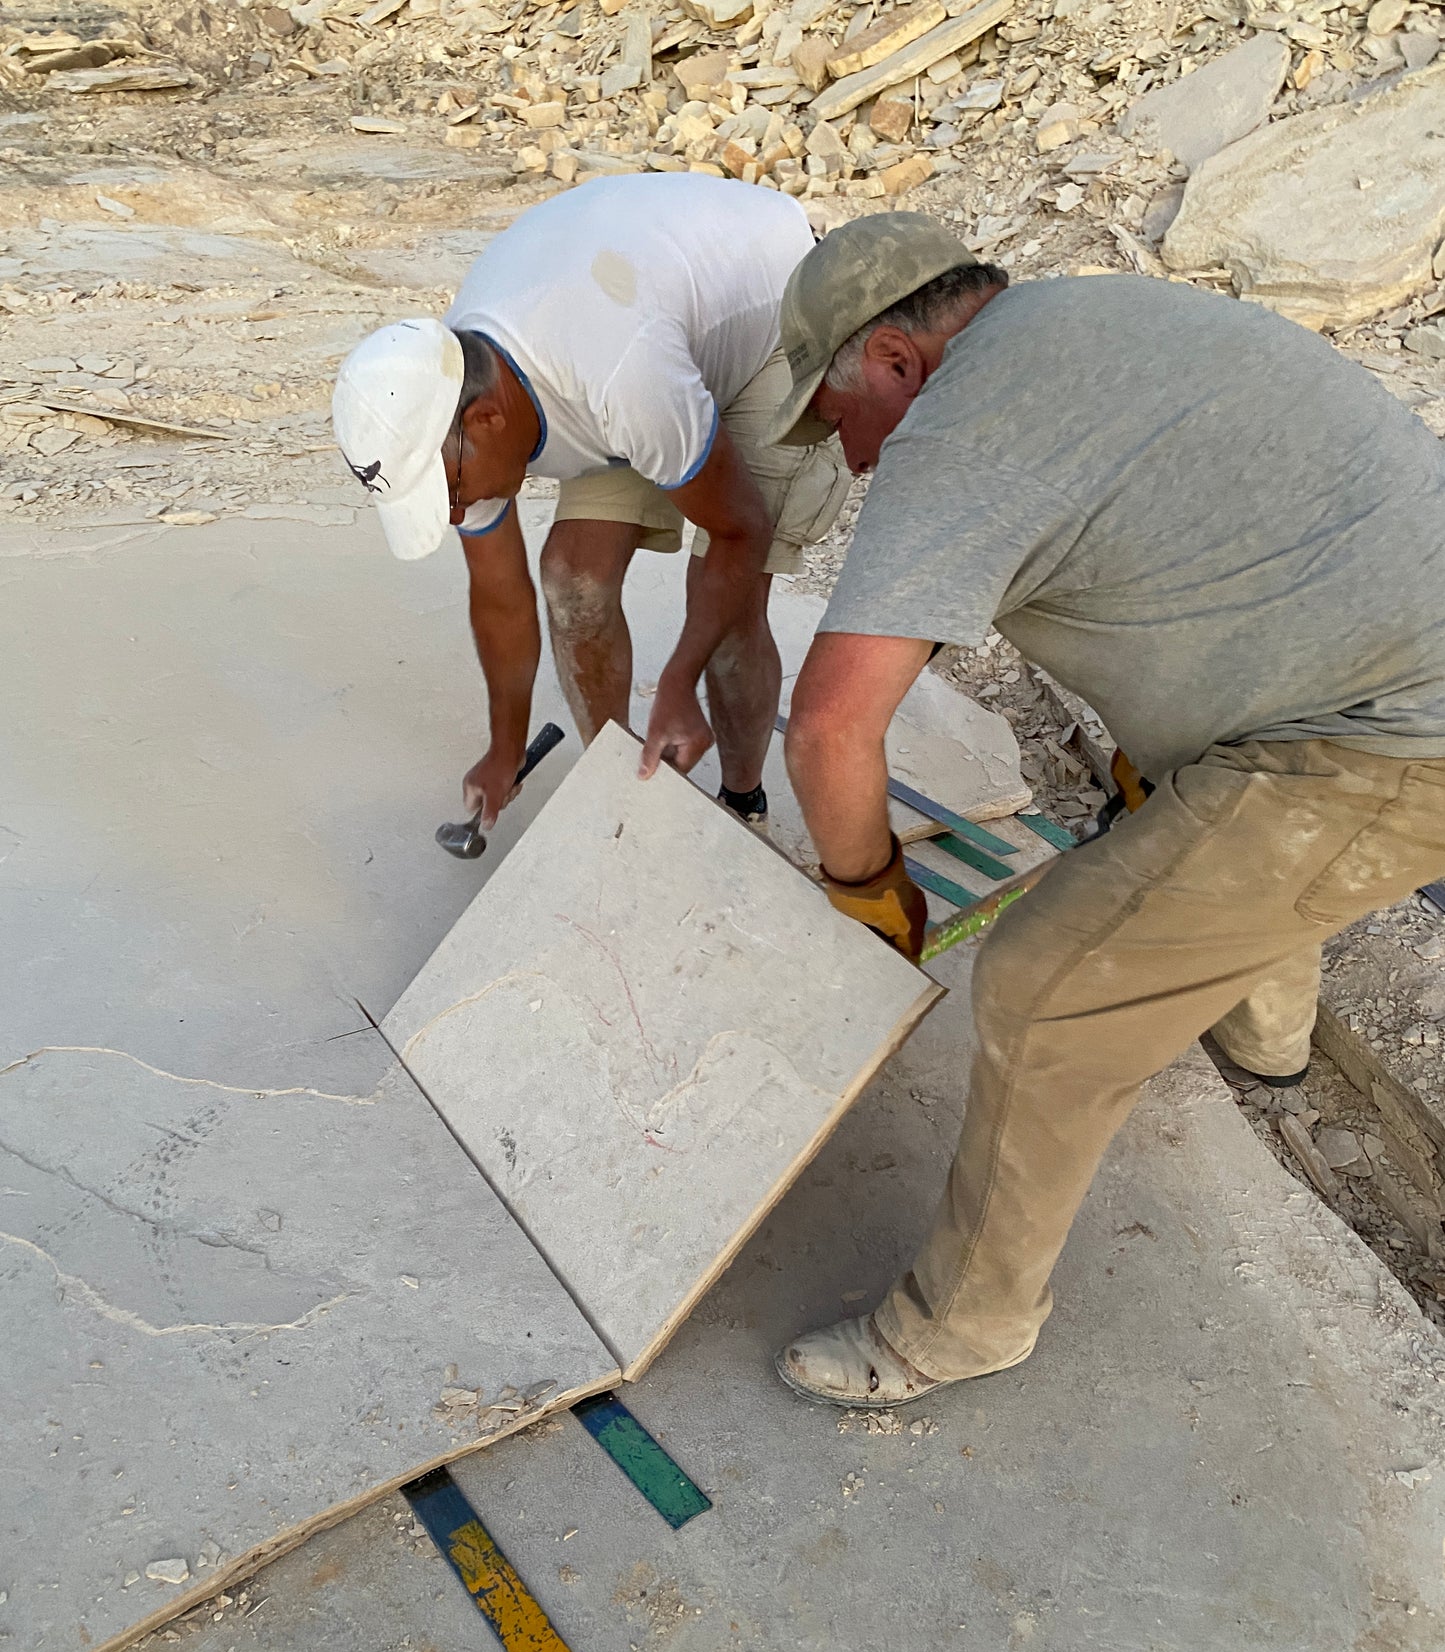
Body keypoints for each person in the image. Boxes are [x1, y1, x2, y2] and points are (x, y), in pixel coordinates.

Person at [766, 212, 1445, 1409]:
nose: (852, 460)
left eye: (837, 422)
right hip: (1367, 657)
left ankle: (960, 1326)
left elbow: (829, 724)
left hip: (1392, 737)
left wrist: (866, 890)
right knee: (1192, 839)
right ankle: (1264, 1044)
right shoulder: (1096, 318)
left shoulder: (964, 421)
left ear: (892, 362)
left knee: (1047, 987)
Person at [331, 174, 850, 831]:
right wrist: (504, 747)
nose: (456, 514)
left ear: (489, 419)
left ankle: (742, 803)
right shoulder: (453, 393)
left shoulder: (618, 374)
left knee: (728, 611)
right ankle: (624, 784)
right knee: (572, 580)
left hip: (777, 315)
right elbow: (500, 596)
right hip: (637, 319)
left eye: (449, 494)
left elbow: (738, 532)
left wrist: (675, 684)